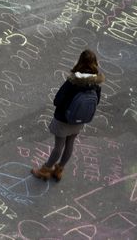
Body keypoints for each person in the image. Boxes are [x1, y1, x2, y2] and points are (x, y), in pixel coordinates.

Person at [31, 49, 105, 181]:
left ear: (80, 62)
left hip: (64, 119)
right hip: (79, 120)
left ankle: (45, 170)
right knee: (70, 143)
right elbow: (96, 102)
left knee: (58, 146)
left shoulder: (72, 82)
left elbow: (57, 100)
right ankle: (59, 170)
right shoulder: (96, 84)